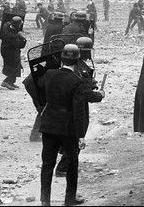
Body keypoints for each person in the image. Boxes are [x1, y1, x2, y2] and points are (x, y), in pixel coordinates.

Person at [38, 44, 105, 206]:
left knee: (47, 164)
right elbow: (79, 110)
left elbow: (35, 86)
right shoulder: (77, 82)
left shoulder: (49, 75)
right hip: (67, 128)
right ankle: (69, 199)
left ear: (61, 59)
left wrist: (43, 106)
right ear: (76, 61)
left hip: (48, 125)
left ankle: (45, 201)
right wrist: (81, 135)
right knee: (72, 163)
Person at [0, 16, 27, 90]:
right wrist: (22, 38)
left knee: (15, 64)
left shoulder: (6, 26)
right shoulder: (13, 36)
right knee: (13, 66)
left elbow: (6, 23)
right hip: (9, 51)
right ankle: (6, 81)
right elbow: (20, 45)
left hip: (7, 50)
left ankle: (11, 81)